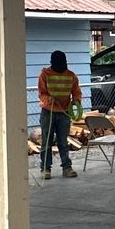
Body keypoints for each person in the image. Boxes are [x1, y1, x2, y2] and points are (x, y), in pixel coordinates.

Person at [36, 49, 83, 179]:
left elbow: (76, 92)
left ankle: (67, 168)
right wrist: (48, 99)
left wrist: (76, 101)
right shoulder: (45, 75)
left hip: (64, 112)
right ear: (52, 63)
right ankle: (45, 169)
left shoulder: (71, 76)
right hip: (48, 112)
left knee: (63, 142)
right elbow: (41, 93)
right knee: (47, 142)